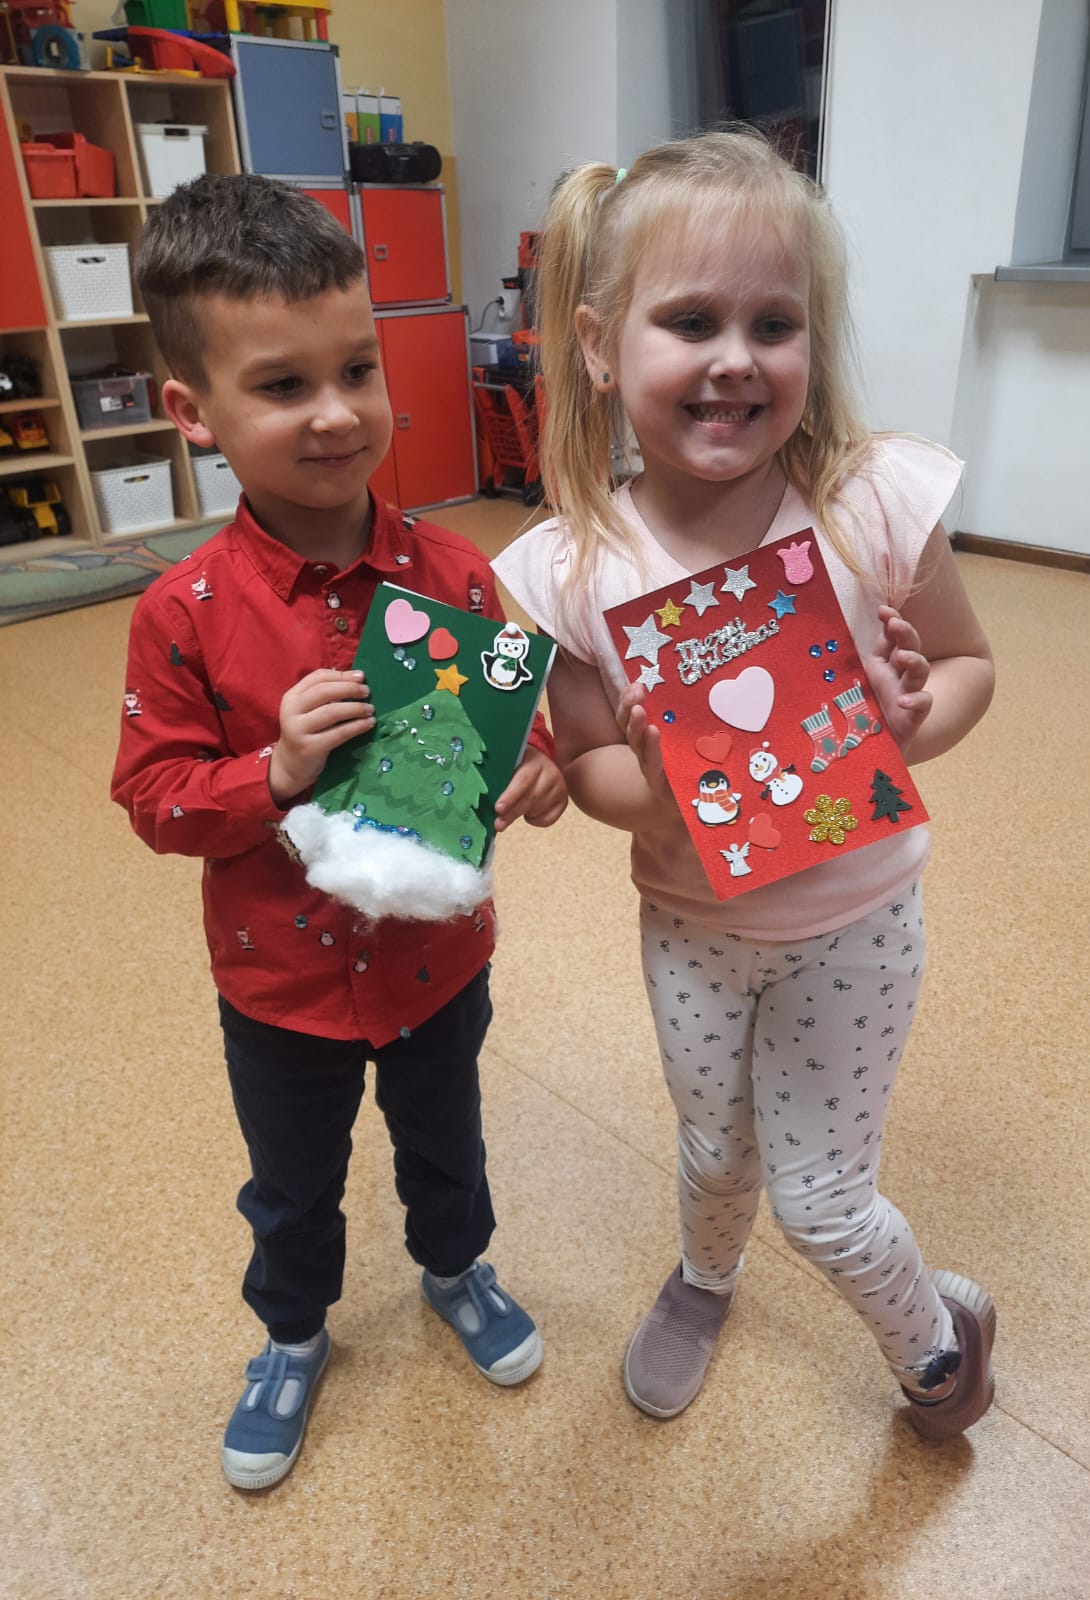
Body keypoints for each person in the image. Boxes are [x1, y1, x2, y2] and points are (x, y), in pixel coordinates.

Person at [493, 129, 996, 1437]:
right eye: (690, 322)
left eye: (774, 325)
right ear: (600, 347)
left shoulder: (869, 507)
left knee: (823, 1199)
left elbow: (968, 667)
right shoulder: (576, 566)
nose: (735, 358)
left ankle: (939, 1349)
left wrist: (909, 725)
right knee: (715, 1148)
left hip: (856, 921)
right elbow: (592, 764)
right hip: (693, 931)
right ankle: (705, 1278)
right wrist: (657, 783)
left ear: (814, 343)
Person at [111, 175, 567, 1491]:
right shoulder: (183, 613)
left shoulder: (457, 576)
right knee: (293, 1184)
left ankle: (455, 1269)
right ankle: (293, 1335)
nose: (334, 412)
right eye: (282, 384)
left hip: (436, 961)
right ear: (192, 412)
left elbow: (510, 734)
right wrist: (274, 769)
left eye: (356, 369)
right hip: (282, 986)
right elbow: (153, 797)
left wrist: (536, 770)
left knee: (448, 1143)